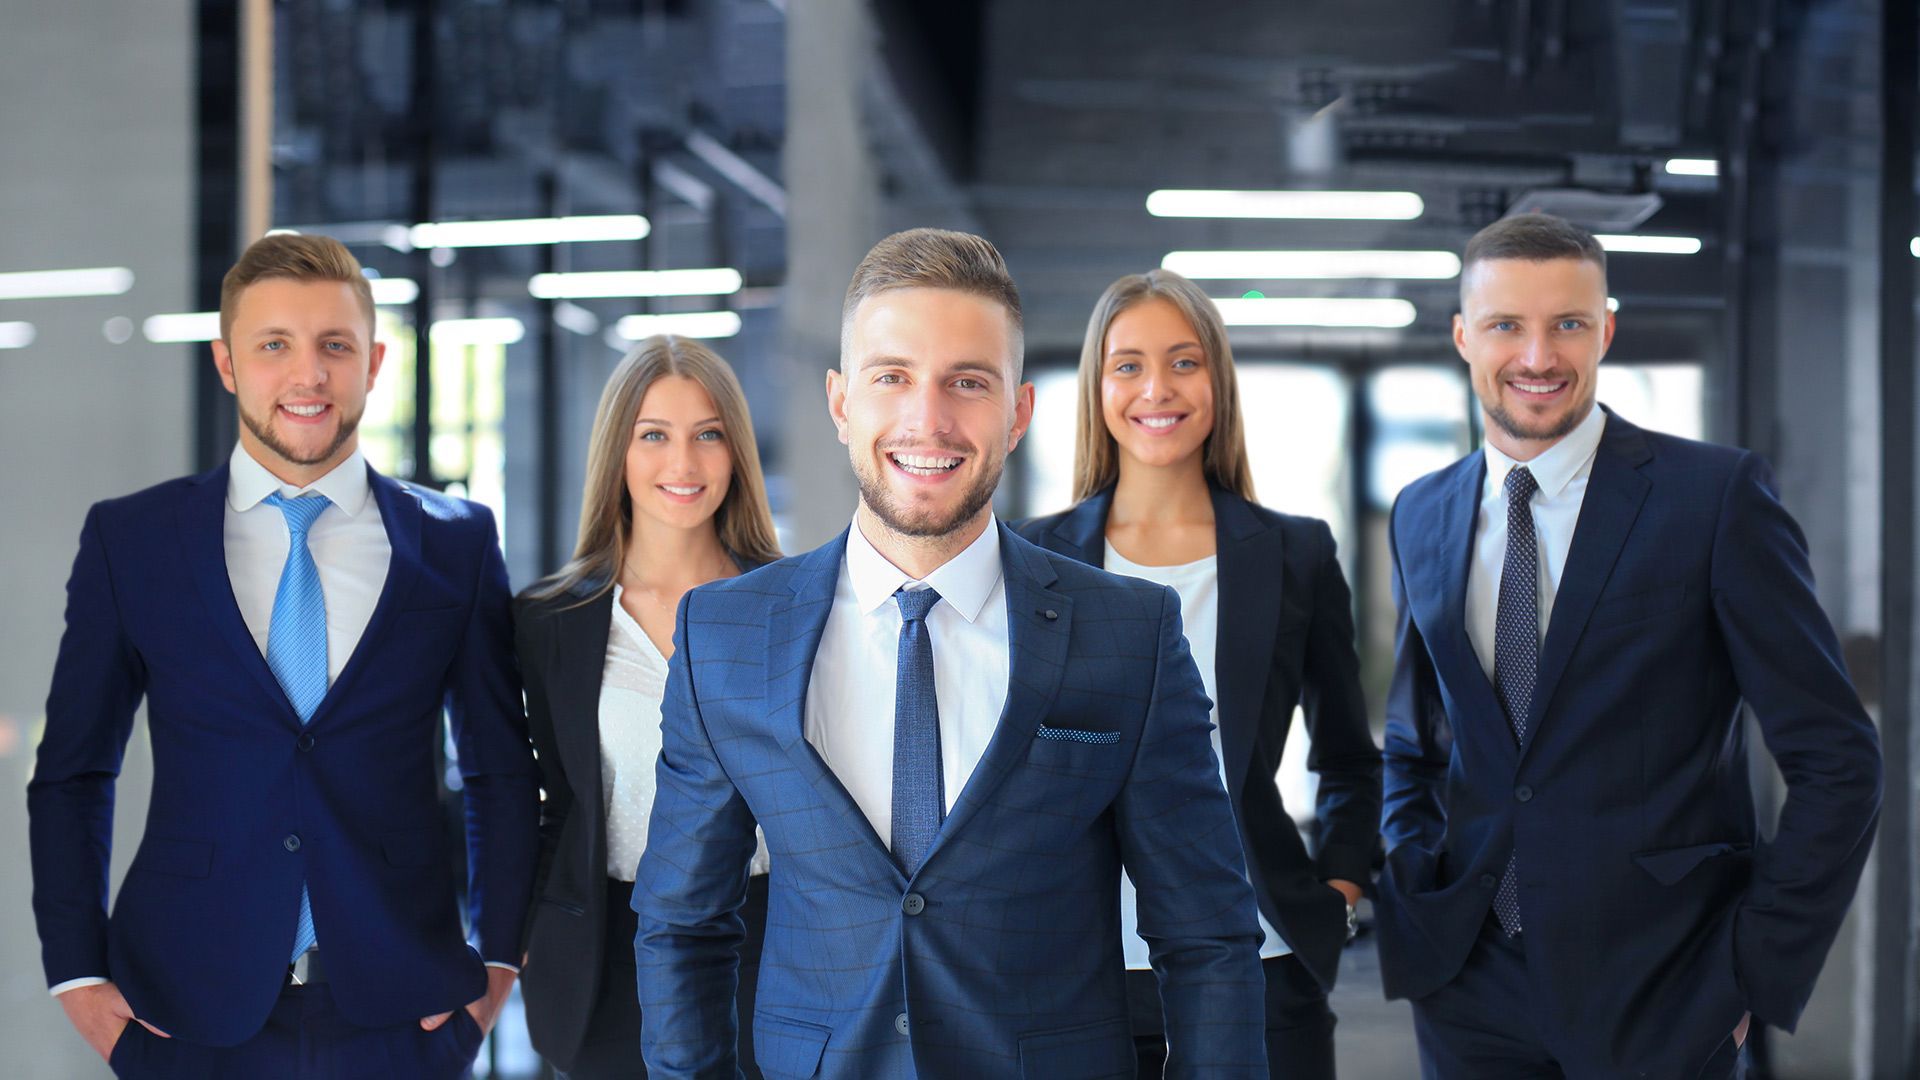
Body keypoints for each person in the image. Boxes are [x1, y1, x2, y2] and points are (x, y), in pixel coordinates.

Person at [632, 228, 1268, 1079]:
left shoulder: (1129, 635)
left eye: (967, 383)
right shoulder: (725, 636)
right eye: (891, 377)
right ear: (840, 403)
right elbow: (682, 924)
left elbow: (1207, 935)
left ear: (1018, 414)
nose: (927, 419)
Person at [1374, 213, 1882, 1078]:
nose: (1538, 356)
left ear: (1605, 330)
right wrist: (1414, 885)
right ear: (1463, 337)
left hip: (1665, 986)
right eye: (1506, 325)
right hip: (1469, 988)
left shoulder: (1714, 499)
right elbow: (1416, 742)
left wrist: (1752, 973)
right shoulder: (1421, 511)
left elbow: (1838, 758)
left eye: (1567, 323)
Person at [28, 233, 538, 1078]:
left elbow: (499, 772)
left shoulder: (455, 544)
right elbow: (75, 771)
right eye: (275, 346)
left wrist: (497, 966)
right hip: (180, 1012)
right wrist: (78, 976)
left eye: (334, 346)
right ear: (228, 363)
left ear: (374, 362)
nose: (308, 375)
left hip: (401, 1016)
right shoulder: (134, 541)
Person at [1015, 268, 1380, 1080]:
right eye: (1129, 364)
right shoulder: (1032, 559)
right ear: (1097, 386)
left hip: (1262, 957)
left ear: (1217, 378)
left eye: (1184, 362)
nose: (1158, 389)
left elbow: (1350, 755)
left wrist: (1342, 890)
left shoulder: (1295, 554)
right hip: (1081, 967)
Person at [516, 335, 781, 1079]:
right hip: (609, 952)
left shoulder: (796, 605)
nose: (683, 464)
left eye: (708, 436)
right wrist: (522, 930)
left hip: (774, 943)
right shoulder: (549, 622)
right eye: (654, 436)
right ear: (618, 454)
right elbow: (544, 803)